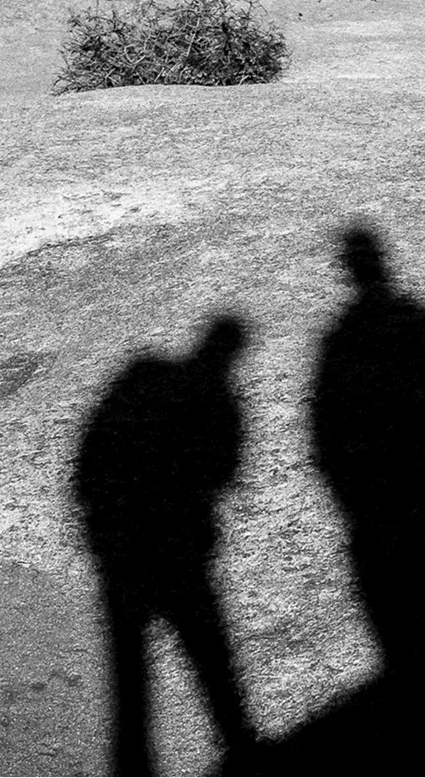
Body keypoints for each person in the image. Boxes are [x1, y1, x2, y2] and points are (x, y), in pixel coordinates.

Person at [73, 317, 255, 777]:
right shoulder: (220, 402)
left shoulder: (145, 377)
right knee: (210, 658)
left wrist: (102, 527)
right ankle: (242, 750)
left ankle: (134, 767)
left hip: (123, 548)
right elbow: (226, 472)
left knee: (131, 676)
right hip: (178, 550)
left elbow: (89, 460)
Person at [312, 227, 425, 673]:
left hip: (374, 494)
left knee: (390, 605)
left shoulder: (339, 340)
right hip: (424, 480)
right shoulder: (413, 318)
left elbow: (326, 431)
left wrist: (347, 495)